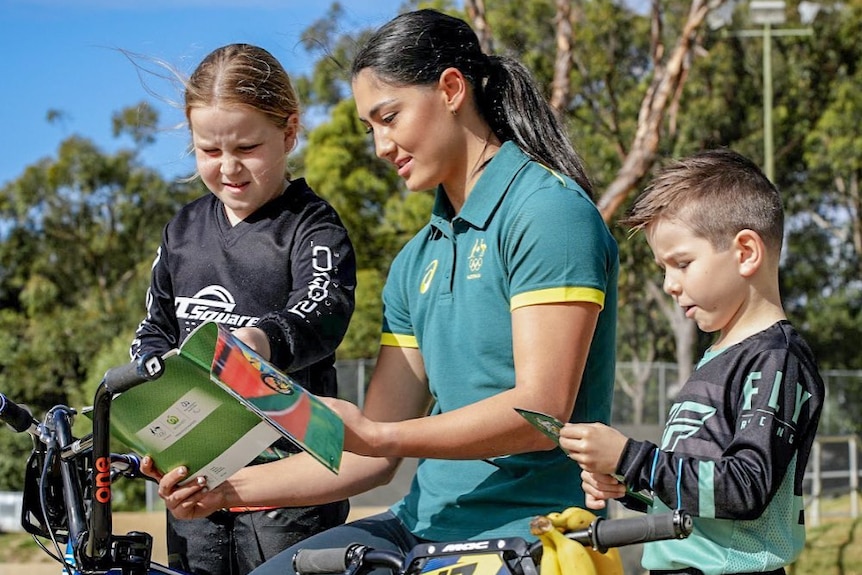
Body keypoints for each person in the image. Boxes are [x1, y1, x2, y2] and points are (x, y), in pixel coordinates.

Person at [144, 9, 619, 575]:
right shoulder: (415, 259)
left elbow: (539, 412)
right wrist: (223, 490)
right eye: (370, 128)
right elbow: (372, 457)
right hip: (416, 523)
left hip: (530, 532)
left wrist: (377, 432)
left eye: (388, 117)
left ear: (450, 89)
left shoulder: (548, 211)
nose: (380, 146)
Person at [130, 43, 356, 575]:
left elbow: (322, 311)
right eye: (209, 150)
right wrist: (148, 401)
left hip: (292, 485)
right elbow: (155, 328)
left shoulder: (311, 226)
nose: (229, 168)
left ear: (289, 131)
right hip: (195, 482)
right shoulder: (182, 231)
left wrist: (259, 344)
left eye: (248, 147)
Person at [560, 149, 825, 575]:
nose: (669, 284)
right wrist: (628, 483)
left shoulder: (777, 359)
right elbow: (698, 498)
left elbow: (745, 488)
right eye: (663, 268)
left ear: (745, 252)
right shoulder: (714, 360)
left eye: (681, 263)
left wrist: (632, 458)